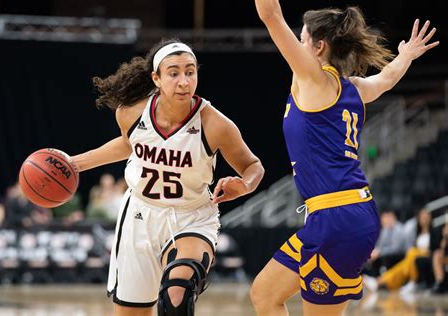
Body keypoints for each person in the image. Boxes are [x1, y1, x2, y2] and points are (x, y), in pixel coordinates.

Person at [251, 1, 439, 315]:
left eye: (302, 40)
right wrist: (405, 55)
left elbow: (270, 14)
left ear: (319, 46)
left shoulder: (314, 80)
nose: (297, 46)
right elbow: (387, 78)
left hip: (337, 218)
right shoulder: (353, 88)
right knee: (265, 295)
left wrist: (405, 56)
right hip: (340, 214)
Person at [70, 39, 264, 315]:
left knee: (178, 293)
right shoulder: (130, 113)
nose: (184, 81)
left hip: (192, 216)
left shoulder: (215, 124)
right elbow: (129, 145)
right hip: (140, 215)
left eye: (190, 72)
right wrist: (74, 163)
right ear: (156, 78)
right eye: (174, 73)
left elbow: (253, 166)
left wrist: (244, 185)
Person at [363, 208, 433, 294]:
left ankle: (379, 281)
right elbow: (379, 244)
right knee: (407, 260)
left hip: (424, 255)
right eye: (422, 217)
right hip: (415, 256)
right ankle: (409, 282)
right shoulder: (417, 233)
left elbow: (397, 247)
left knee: (411, 254)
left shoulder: (433, 232)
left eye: (426, 217)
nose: (424, 220)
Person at [365, 209, 407, 277]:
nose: (387, 220)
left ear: (394, 217)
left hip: (400, 255)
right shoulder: (386, 229)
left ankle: (381, 279)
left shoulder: (399, 229)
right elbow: (379, 245)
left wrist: (379, 252)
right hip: (389, 253)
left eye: (389, 217)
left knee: (383, 257)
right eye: (385, 218)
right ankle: (372, 277)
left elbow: (396, 248)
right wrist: (375, 251)